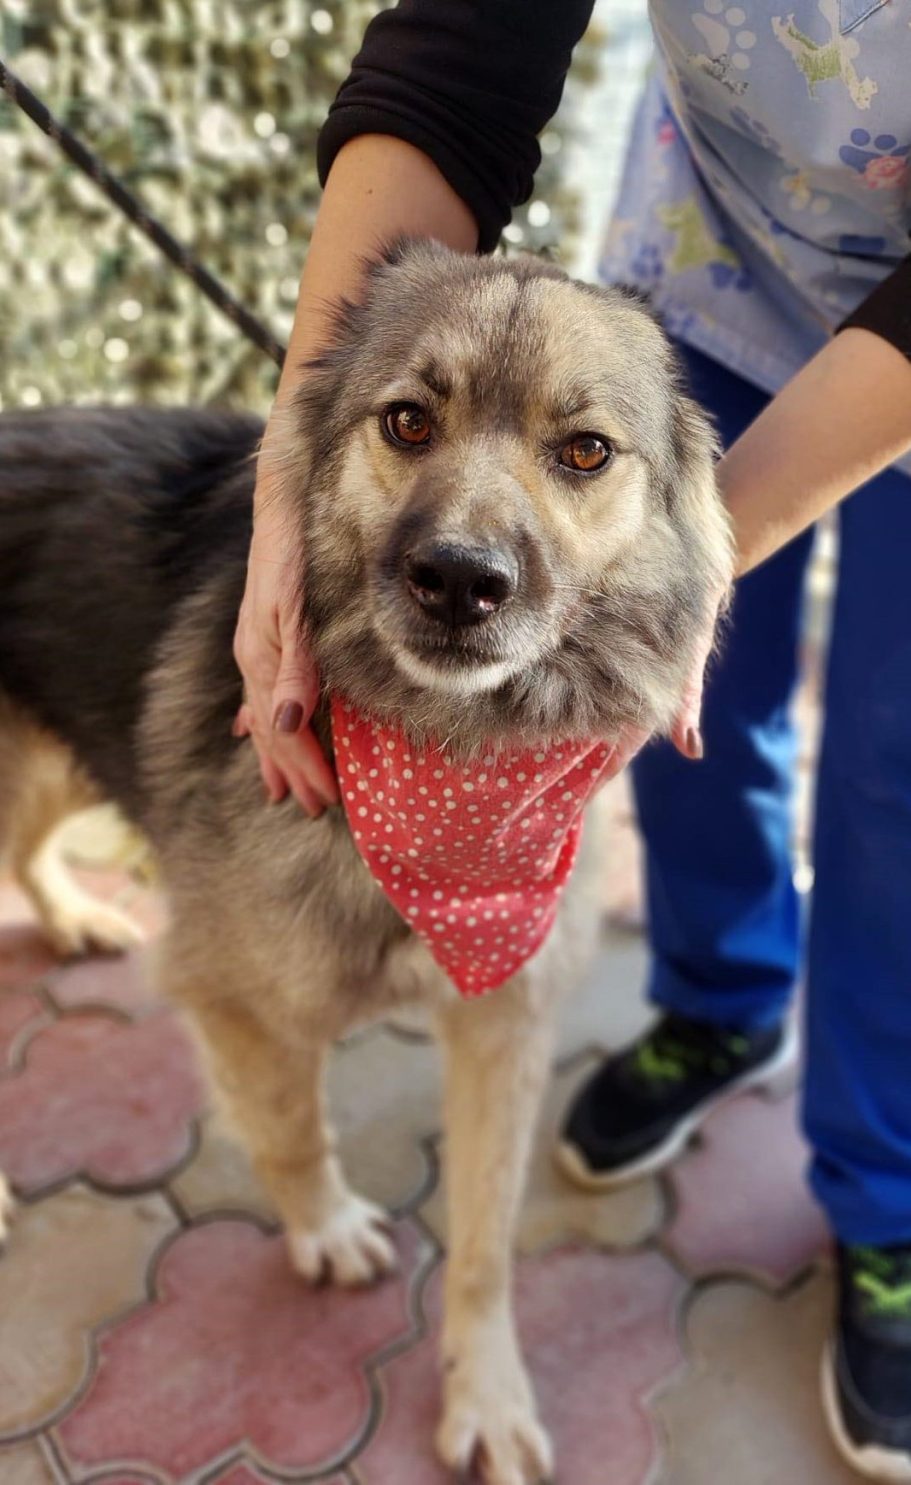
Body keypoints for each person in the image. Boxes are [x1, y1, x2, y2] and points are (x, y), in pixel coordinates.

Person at [234, 3, 911, 1475]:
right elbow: (459, 59)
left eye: (578, 460)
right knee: (702, 722)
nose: (467, 544)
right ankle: (722, 997)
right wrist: (296, 463)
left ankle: (890, 1196)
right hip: (712, 260)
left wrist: (701, 558)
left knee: (896, 758)